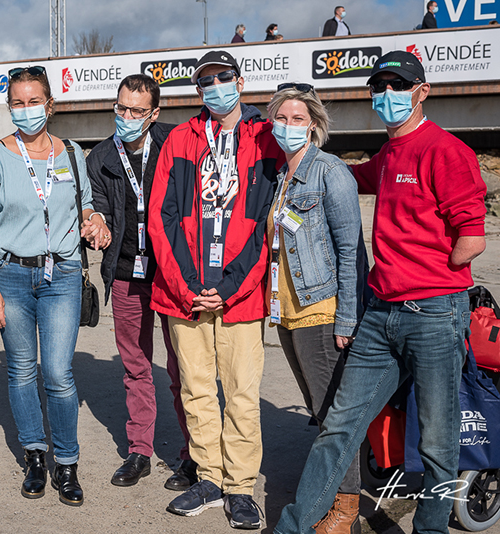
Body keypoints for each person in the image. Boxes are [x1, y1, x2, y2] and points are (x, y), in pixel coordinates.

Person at [274, 50, 486, 534]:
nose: (386, 95)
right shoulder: (388, 155)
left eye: (397, 85)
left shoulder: (447, 151)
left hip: (434, 313)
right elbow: (345, 176)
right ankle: (293, 527)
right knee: (339, 427)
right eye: (379, 87)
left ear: (421, 92)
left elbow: (471, 241)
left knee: (437, 440)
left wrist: (425, 271)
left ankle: (429, 528)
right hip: (380, 314)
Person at [148, 50, 284, 529]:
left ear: (240, 82)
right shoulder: (181, 138)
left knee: (243, 394)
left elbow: (265, 225)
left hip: (239, 295)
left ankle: (240, 487)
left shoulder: (266, 138)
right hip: (184, 294)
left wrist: (226, 287)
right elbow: (160, 218)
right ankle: (208, 477)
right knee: (197, 390)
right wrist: (189, 285)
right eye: (206, 81)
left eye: (224, 78)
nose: (216, 87)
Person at [0, 65, 110, 507]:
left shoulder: (71, 152)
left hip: (63, 275)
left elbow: (86, 204)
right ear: (9, 106)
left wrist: (96, 222)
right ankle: (35, 454)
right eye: (18, 102)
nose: (26, 110)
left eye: (34, 101)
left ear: (49, 104)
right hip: (10, 275)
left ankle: (66, 462)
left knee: (58, 373)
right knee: (21, 370)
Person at [86, 74, 195, 491]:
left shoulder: (176, 141)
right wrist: (97, 222)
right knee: (136, 367)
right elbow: (96, 206)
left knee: (184, 366)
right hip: (126, 274)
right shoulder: (100, 157)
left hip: (171, 276)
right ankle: (139, 451)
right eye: (121, 108)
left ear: (154, 113)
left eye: (136, 111)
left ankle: (193, 457)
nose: (126, 117)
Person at [266, 83, 365, 534]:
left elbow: (351, 250)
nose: (288, 126)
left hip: (321, 310)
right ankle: (331, 492)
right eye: (282, 118)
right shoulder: (280, 177)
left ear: (315, 125)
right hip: (288, 310)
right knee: (317, 408)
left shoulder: (331, 172)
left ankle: (345, 509)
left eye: (298, 119)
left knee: (333, 418)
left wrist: (348, 317)